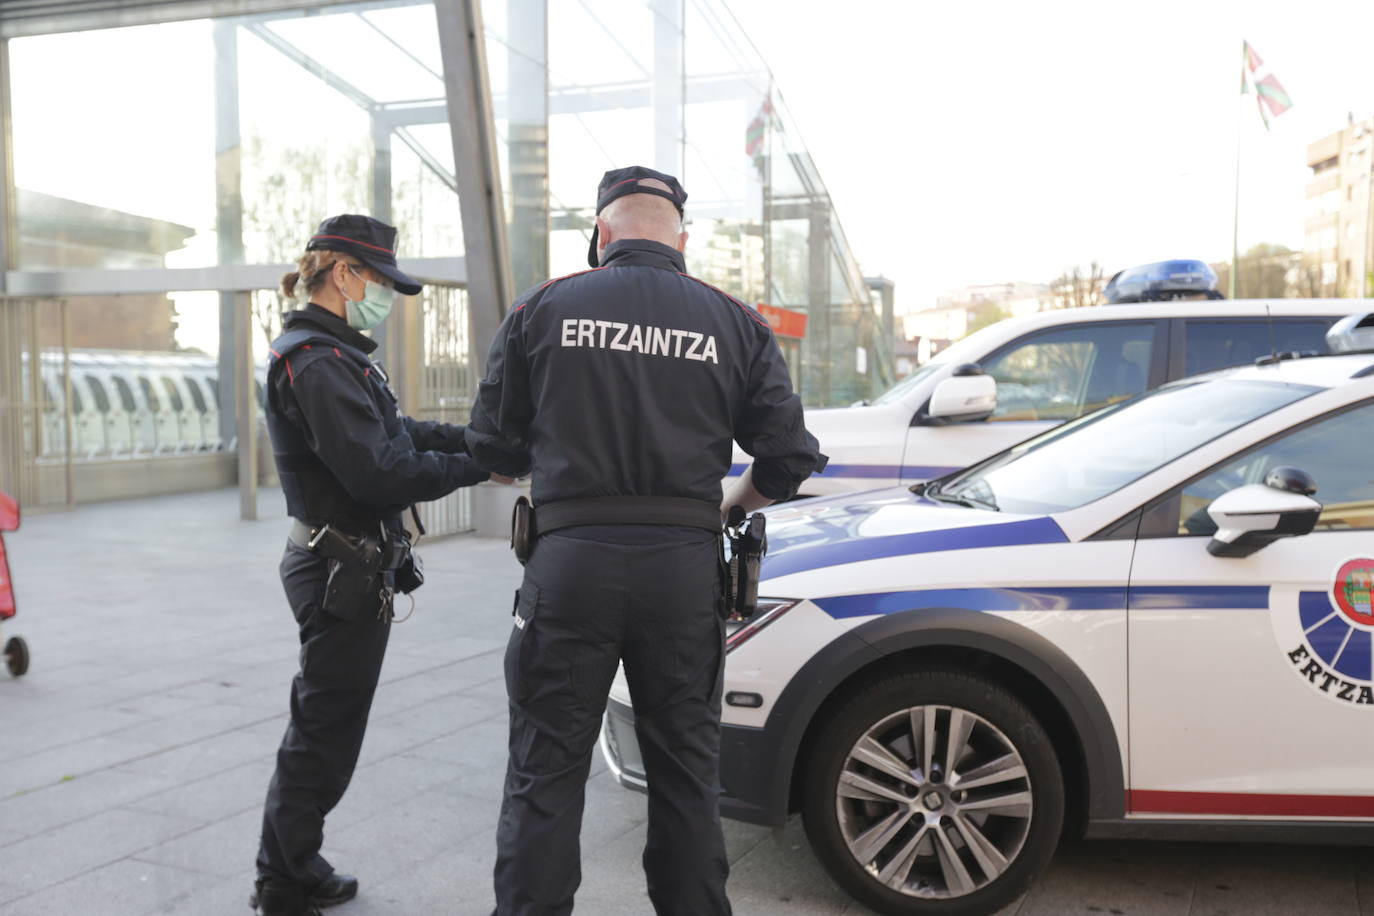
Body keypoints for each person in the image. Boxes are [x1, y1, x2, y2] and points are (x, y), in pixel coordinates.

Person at [467, 166, 825, 916]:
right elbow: (789, 457)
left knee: (545, 772)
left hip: (568, 567)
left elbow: (494, 453)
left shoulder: (543, 308)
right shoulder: (733, 320)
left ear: (602, 233)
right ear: (682, 240)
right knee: (687, 776)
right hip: (682, 573)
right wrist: (729, 505)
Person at [253, 215, 506, 916]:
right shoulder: (316, 363)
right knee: (323, 731)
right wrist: (478, 467)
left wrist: (479, 443)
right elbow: (380, 473)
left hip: (349, 566)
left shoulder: (337, 357)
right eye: (382, 281)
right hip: (337, 570)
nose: (386, 295)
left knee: (330, 727)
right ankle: (282, 878)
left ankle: (293, 862)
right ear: (345, 275)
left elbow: (400, 432)